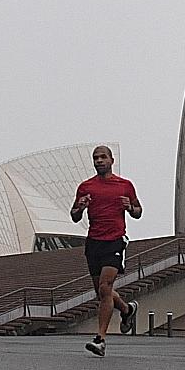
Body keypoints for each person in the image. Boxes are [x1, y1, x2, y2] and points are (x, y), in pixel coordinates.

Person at [71, 145, 142, 357]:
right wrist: (81, 207)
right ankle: (127, 310)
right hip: (94, 242)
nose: (99, 161)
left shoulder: (125, 185)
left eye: (103, 157)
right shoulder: (86, 187)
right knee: (102, 292)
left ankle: (100, 339)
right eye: (96, 158)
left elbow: (138, 211)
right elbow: (74, 216)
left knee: (105, 287)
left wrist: (130, 207)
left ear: (111, 160)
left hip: (115, 241)